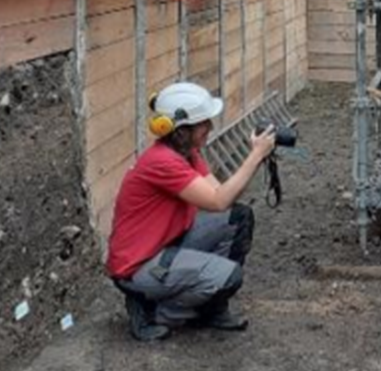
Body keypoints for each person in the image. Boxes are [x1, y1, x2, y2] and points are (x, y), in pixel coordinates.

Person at [106, 81, 277, 341]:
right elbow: (218, 201)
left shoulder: (187, 154)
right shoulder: (163, 163)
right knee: (229, 277)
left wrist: (257, 154)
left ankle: (212, 308)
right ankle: (154, 312)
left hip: (163, 245)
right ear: (181, 131)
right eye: (203, 123)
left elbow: (223, 200)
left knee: (238, 218)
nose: (210, 128)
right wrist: (255, 156)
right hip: (138, 266)